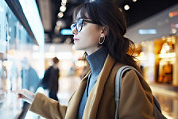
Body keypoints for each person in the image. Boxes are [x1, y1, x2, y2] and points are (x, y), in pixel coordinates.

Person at [15, 1, 155, 119]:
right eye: (74, 25)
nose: (74, 31)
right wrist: (34, 99)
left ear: (103, 30)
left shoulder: (126, 77)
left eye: (81, 23)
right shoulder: (90, 75)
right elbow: (74, 115)